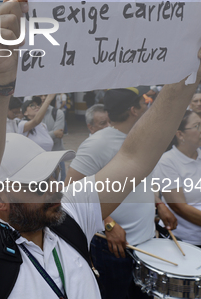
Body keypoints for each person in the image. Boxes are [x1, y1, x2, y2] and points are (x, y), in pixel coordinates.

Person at [0, 0, 201, 299]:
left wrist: (187, 73)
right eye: (38, 185)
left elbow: (134, 157)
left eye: (53, 175)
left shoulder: (68, 217)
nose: (54, 187)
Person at [65, 87, 178, 299]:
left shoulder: (144, 139)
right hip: (111, 247)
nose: (148, 106)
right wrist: (108, 224)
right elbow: (72, 191)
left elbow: (139, 184)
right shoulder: (97, 143)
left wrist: (159, 205)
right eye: (144, 103)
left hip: (145, 243)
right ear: (134, 110)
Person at [153, 110, 201, 299]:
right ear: (179, 134)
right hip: (188, 245)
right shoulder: (168, 162)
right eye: (197, 126)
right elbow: (179, 206)